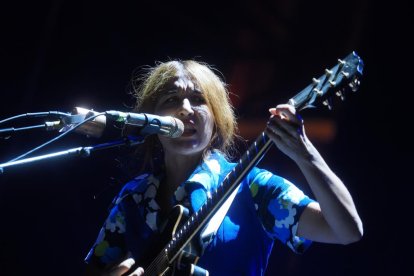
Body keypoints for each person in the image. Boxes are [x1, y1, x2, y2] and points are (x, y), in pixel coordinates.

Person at [83, 60, 363, 276]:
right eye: (170, 100)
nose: (185, 109)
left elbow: (346, 230)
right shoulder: (133, 198)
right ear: (150, 119)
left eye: (198, 99)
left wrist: (306, 154)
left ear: (217, 119)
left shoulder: (254, 188)